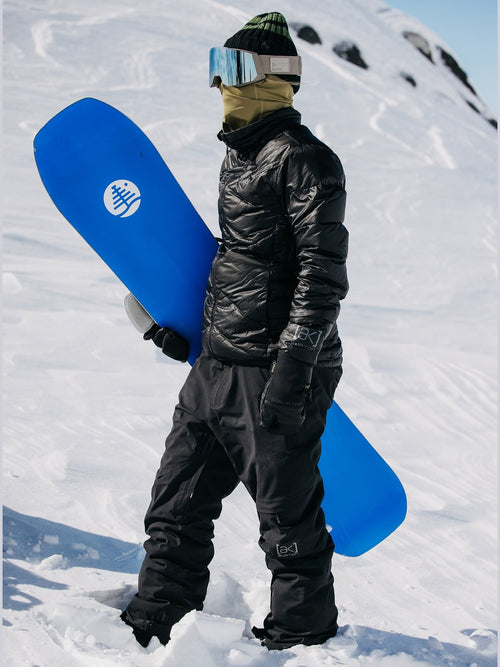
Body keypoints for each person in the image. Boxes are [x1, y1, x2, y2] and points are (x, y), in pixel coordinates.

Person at [121, 12, 349, 651]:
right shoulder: (240, 154)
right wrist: (187, 333)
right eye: (216, 69)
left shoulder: (306, 160)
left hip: (276, 367)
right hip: (218, 362)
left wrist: (294, 369)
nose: (223, 84)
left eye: (236, 69)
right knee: (175, 504)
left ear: (278, 78)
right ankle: (155, 621)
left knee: (286, 521)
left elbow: (322, 275)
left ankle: (302, 638)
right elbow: (238, 263)